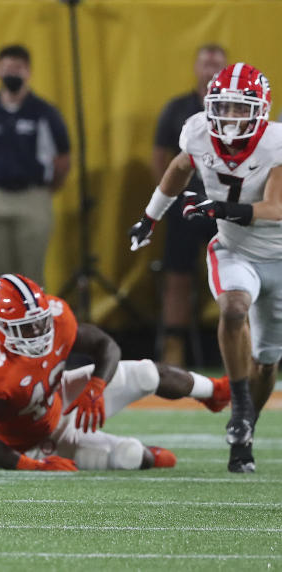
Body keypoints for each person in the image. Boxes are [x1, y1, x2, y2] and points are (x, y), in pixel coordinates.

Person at [129, 62, 281, 473]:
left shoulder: (275, 143)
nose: (230, 118)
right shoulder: (198, 132)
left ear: (260, 109)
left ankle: (245, 428)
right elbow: (179, 168)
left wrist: (221, 207)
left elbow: (276, 208)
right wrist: (150, 217)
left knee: (267, 361)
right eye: (224, 108)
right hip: (234, 249)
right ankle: (240, 402)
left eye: (239, 109)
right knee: (233, 307)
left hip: (279, 258)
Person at [0, 274, 231, 472]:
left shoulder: (56, 318)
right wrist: (30, 465)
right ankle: (147, 454)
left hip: (62, 395)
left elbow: (105, 346)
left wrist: (96, 386)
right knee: (132, 456)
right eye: (26, 328)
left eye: (40, 321)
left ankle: (215, 392)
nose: (40, 332)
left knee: (146, 373)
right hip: (34, 442)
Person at [0, 44, 70, 286]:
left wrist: (45, 190)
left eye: (17, 68)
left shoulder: (45, 113)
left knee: (31, 275)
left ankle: (34, 323)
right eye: (6, 68)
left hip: (32, 196)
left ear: (28, 72)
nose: (12, 74)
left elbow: (62, 160)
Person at [152, 44, 227, 366]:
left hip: (226, 206)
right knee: (178, 276)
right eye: (205, 63)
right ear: (196, 67)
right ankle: (174, 345)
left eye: (217, 64)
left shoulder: (235, 109)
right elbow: (161, 158)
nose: (210, 69)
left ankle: (237, 339)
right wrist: (169, 196)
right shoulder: (178, 108)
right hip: (187, 204)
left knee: (233, 274)